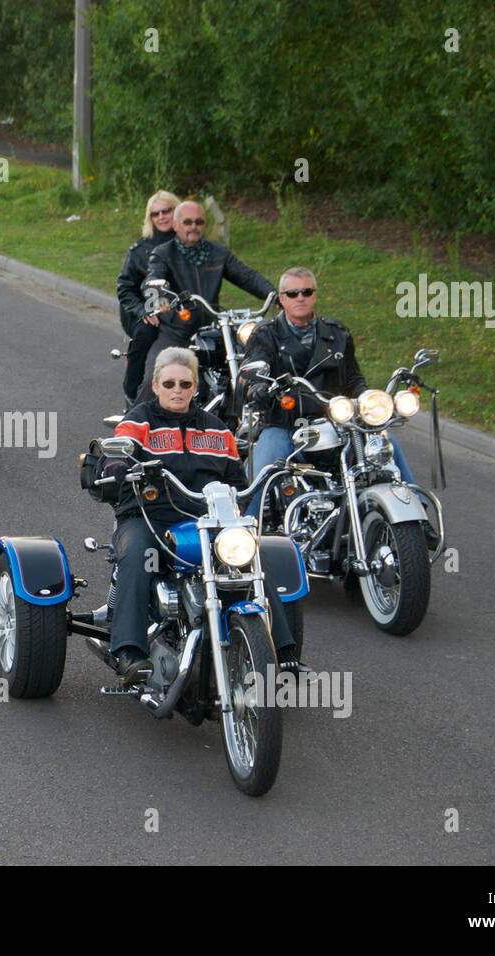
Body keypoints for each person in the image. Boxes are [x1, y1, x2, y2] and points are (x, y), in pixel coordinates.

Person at [100, 348, 302, 684]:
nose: (177, 390)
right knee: (139, 555)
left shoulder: (218, 430)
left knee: (254, 556)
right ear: (156, 385)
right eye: (169, 383)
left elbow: (237, 481)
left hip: (206, 522)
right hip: (149, 518)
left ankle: (283, 653)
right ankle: (129, 652)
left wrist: (252, 491)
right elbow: (118, 452)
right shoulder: (138, 421)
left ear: (195, 387)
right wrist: (118, 465)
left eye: (184, 383)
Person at [241, 267, 418, 518]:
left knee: (386, 444)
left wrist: (367, 399)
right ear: (281, 298)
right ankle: (245, 532)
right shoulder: (265, 334)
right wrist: (258, 387)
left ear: (314, 295)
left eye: (306, 291)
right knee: (264, 469)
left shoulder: (337, 333)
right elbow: (253, 367)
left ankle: (416, 512)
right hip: (285, 423)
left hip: (336, 421)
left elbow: (353, 377)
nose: (300, 297)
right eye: (292, 293)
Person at [137, 200, 276, 405]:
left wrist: (274, 293)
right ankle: (133, 428)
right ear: (176, 225)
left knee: (248, 369)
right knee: (154, 379)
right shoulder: (163, 253)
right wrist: (160, 297)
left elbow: (246, 275)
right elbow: (152, 279)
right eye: (188, 222)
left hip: (213, 330)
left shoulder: (218, 253)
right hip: (176, 331)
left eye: (199, 222)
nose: (194, 226)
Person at [116, 190, 179, 405]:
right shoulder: (140, 250)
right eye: (155, 214)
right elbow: (125, 287)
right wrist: (143, 310)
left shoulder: (188, 243)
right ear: (149, 219)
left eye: (166, 211)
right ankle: (131, 391)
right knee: (147, 331)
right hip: (143, 310)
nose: (161, 217)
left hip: (180, 309)